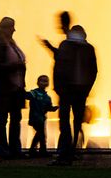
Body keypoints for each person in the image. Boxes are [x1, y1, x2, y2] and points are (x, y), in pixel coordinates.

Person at [50, 25, 98, 166]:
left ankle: (66, 153)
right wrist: (87, 88)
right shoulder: (88, 48)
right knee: (76, 122)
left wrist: (58, 87)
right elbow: (93, 71)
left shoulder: (66, 45)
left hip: (67, 91)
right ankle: (71, 151)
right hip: (79, 91)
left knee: (65, 121)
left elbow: (58, 67)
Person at [0, 17, 27, 159]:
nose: (14, 29)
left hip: (16, 88)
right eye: (12, 27)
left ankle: (14, 149)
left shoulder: (11, 43)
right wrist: (15, 67)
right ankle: (3, 149)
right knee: (3, 119)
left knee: (15, 118)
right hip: (3, 89)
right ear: (5, 28)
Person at [24, 75, 57, 157]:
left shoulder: (47, 97)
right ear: (38, 82)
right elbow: (26, 95)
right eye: (42, 81)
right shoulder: (34, 93)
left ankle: (36, 150)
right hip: (35, 118)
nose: (44, 82)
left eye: (46, 81)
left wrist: (53, 108)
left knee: (40, 134)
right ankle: (39, 150)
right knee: (41, 134)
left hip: (42, 119)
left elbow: (48, 107)